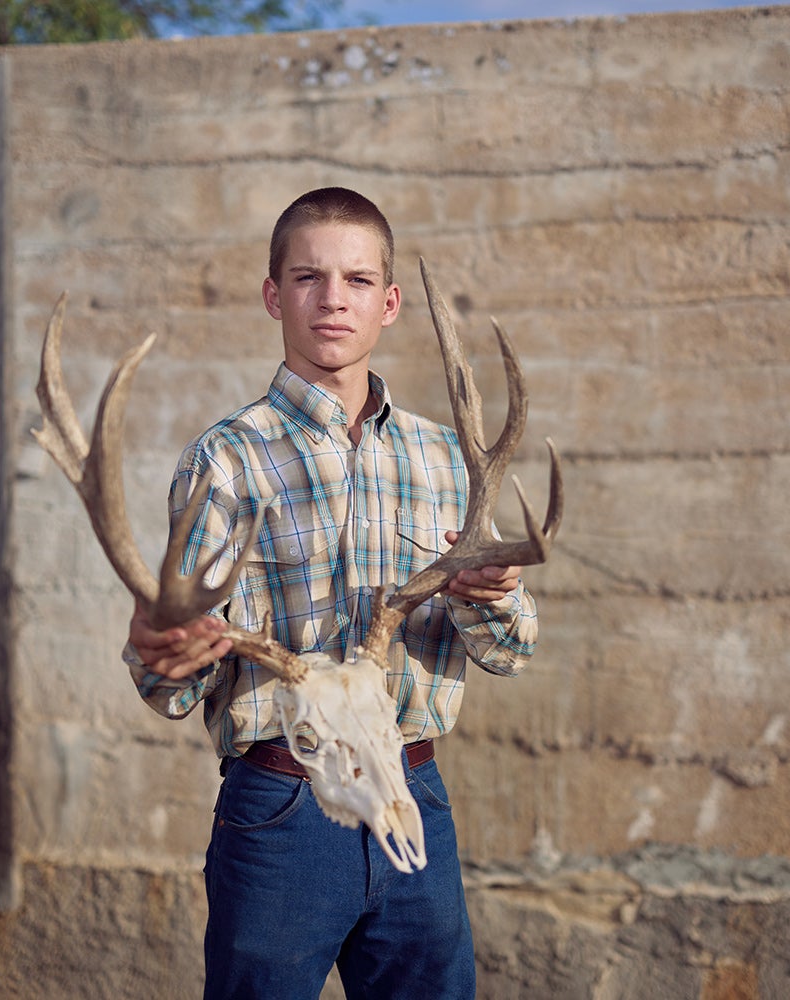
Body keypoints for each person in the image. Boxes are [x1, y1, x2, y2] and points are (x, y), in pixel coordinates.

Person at [122, 187, 539, 1000]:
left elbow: (513, 650)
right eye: (309, 277)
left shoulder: (448, 458)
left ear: (388, 303)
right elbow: (172, 685)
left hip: (413, 795)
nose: (331, 299)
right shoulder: (226, 460)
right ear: (274, 294)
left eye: (355, 280)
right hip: (282, 804)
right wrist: (166, 654)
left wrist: (490, 594)